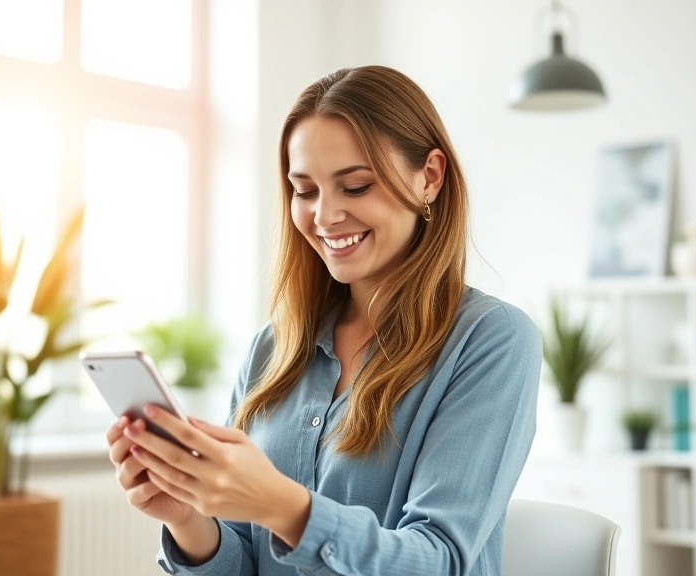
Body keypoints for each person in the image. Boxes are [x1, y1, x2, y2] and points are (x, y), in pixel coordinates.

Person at [106, 65, 541, 576]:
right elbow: (244, 563)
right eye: (305, 190)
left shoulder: (492, 341)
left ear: (430, 176)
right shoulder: (273, 349)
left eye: (355, 187)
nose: (324, 215)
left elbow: (440, 561)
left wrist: (283, 507)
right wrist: (188, 520)